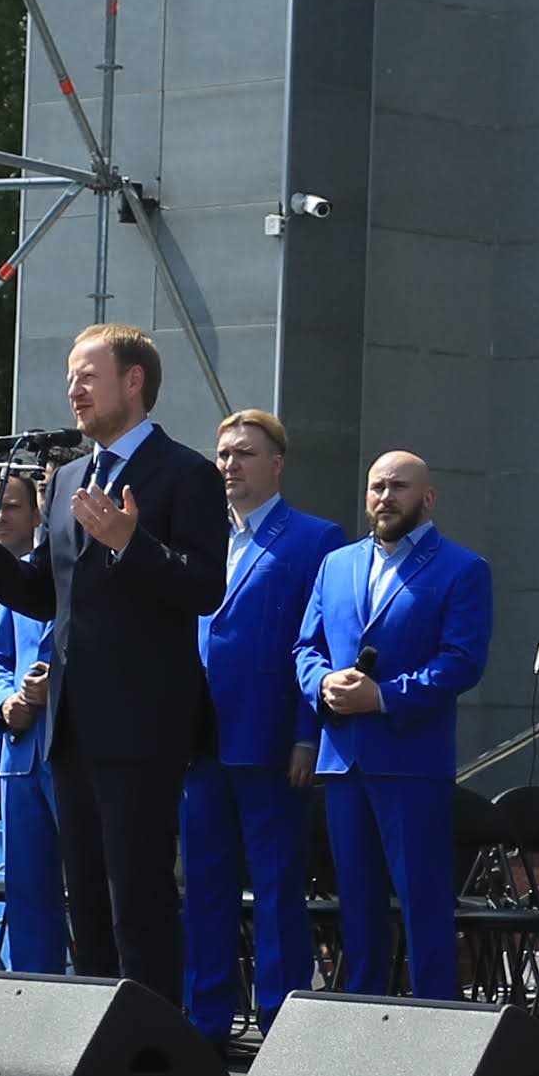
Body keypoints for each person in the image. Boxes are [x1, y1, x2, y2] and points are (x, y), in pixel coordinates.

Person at [0, 323, 232, 992]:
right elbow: (48, 594)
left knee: (138, 899)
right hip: (71, 726)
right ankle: (97, 1031)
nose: (74, 389)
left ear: (133, 381)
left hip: (143, 725)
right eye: (70, 377)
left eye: (88, 375)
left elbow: (204, 588)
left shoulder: (187, 474)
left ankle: (151, 1039)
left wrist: (130, 543)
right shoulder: (68, 478)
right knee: (85, 900)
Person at [297, 450, 493, 1003]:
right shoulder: (336, 565)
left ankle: (436, 1020)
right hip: (344, 761)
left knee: (423, 905)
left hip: (411, 763)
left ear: (427, 498)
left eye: (399, 487)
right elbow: (306, 648)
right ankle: (364, 1020)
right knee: (356, 907)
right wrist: (323, 684)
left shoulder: (462, 569)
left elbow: (461, 662)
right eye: (377, 487)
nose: (385, 497)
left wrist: (383, 697)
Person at [182, 409, 335, 1040]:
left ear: (276, 464)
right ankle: (205, 1023)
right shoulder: (198, 535)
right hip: (197, 740)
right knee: (204, 889)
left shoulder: (314, 538)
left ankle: (280, 1022)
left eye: (244, 454)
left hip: (271, 741)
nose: (229, 465)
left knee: (275, 890)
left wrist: (307, 733)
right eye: (223, 454)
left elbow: (319, 642)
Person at [0, 595, 68, 970]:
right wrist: (3, 702)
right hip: (20, 754)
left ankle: (109, 995)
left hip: (79, 753)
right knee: (27, 892)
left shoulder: (101, 568)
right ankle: (34, 993)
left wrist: (61, 685)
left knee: (98, 889)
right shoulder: (19, 581)